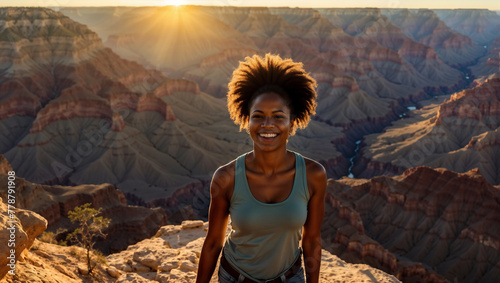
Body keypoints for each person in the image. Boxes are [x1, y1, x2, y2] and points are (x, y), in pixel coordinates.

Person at [196, 53, 326, 283]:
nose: (267, 125)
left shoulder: (313, 176)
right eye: (258, 116)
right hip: (235, 278)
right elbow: (213, 242)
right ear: (246, 120)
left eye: (278, 116)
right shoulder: (226, 178)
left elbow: (312, 241)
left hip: (290, 278)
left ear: (292, 121)